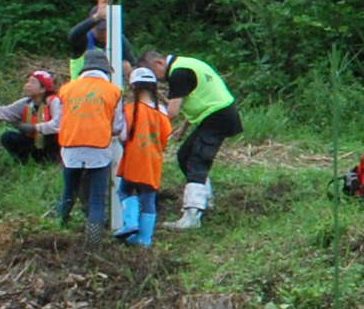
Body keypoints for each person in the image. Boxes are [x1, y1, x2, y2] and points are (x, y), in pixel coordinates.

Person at [142, 48, 241, 232]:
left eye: (153, 74)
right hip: (216, 114)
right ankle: (205, 200)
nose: (155, 80)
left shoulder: (179, 73)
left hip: (218, 116)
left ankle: (192, 215)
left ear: (159, 63)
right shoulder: (184, 65)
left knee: (197, 159)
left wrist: (144, 123)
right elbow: (198, 98)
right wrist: (183, 129)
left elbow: (171, 112)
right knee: (185, 156)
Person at [55, 51, 122, 232]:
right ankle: (95, 243)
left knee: (68, 193)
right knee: (97, 200)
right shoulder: (113, 91)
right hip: (99, 149)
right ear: (106, 71)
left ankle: (56, 232)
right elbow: (118, 126)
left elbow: (58, 122)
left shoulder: (66, 89)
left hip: (71, 148)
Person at [114, 65, 174, 246]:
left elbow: (123, 136)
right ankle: (144, 240)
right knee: (149, 199)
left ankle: (131, 223)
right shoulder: (161, 111)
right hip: (153, 162)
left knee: (125, 191)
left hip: (133, 161)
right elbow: (166, 137)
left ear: (132, 88)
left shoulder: (128, 110)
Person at [0, 68, 63, 167]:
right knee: (8, 137)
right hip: (33, 142)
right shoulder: (26, 102)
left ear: (43, 89)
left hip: (51, 144)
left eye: (33, 83)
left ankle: (51, 162)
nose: (28, 85)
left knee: (51, 137)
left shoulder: (54, 102)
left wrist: (35, 128)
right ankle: (24, 163)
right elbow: (4, 113)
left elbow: (58, 124)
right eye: (28, 82)